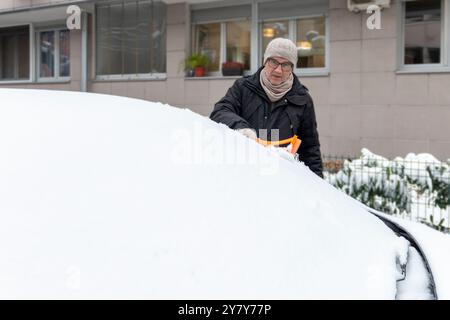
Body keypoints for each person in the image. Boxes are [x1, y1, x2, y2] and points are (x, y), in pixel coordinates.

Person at [210, 37, 323, 177]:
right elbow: (220, 111)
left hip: (281, 177)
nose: (278, 70)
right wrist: (242, 128)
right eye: (273, 62)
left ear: (292, 68)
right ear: (265, 62)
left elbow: (310, 149)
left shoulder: (303, 100)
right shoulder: (243, 88)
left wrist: (318, 186)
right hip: (243, 172)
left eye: (286, 65)